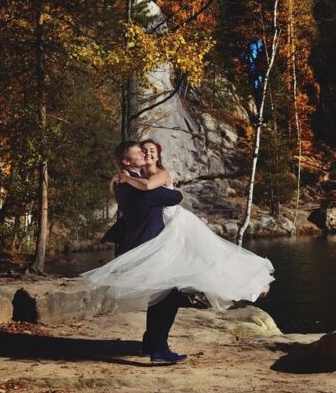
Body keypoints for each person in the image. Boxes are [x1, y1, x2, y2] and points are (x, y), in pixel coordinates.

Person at [83, 139, 274, 362]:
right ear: (127, 161)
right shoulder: (138, 186)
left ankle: (151, 343)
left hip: (149, 243)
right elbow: (175, 197)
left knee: (163, 293)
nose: (145, 155)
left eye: (148, 152)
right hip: (154, 246)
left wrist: (122, 178)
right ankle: (159, 349)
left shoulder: (124, 183)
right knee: (168, 295)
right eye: (140, 152)